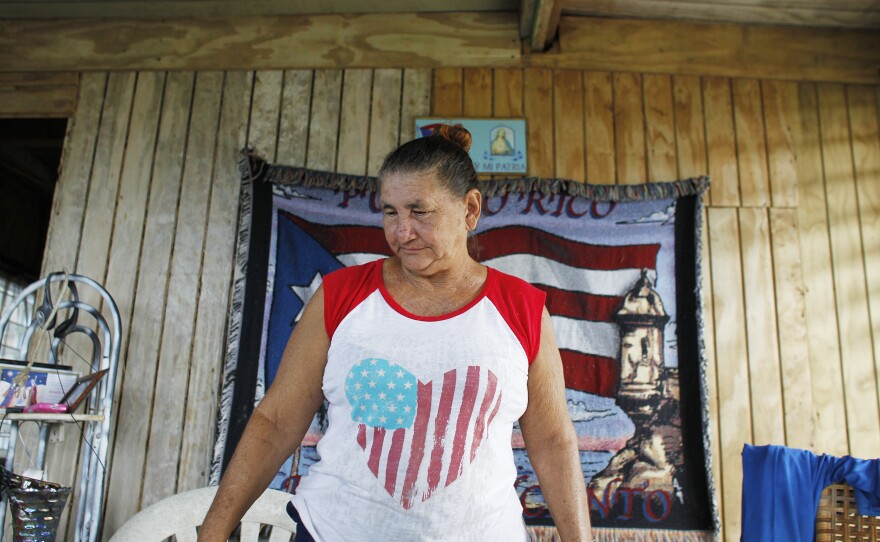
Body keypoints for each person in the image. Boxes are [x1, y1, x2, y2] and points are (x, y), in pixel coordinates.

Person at [198, 125, 592, 541]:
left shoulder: (523, 310)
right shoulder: (340, 296)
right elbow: (276, 422)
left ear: (470, 210)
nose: (402, 232)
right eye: (391, 212)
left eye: (420, 211)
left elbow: (552, 442)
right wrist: (213, 532)